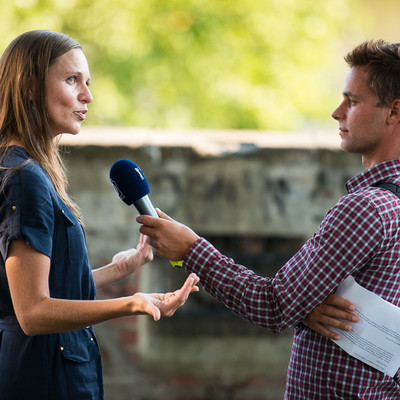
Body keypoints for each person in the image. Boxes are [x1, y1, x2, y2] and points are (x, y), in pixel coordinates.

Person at [137, 39, 400, 398]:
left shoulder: (367, 208)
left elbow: (274, 305)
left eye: (352, 101)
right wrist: (305, 308)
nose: (337, 112)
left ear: (394, 111)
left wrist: (191, 249)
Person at [0, 30, 199, 400]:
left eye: (87, 82)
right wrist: (131, 303)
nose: (87, 96)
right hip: (43, 376)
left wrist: (120, 269)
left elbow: (43, 288)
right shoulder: (24, 179)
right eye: (72, 80)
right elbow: (32, 311)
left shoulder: (30, 172)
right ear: (29, 86)